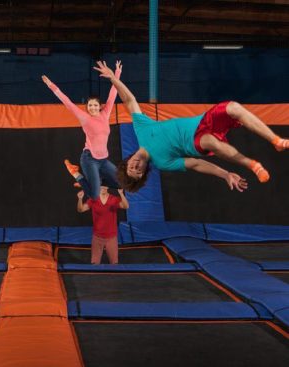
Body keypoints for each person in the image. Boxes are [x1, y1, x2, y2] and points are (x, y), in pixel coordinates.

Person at [93, 60, 289, 193]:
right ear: (144, 171)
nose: (135, 166)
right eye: (137, 171)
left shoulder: (141, 130)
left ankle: (276, 141)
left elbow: (129, 100)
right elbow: (196, 164)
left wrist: (113, 78)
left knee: (234, 107)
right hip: (197, 142)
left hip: (202, 121)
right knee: (210, 141)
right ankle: (253, 165)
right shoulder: (162, 162)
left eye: (131, 167)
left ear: (127, 161)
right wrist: (225, 174)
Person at [42, 61, 122, 199]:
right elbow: (67, 102)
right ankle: (76, 174)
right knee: (94, 195)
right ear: (87, 108)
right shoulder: (85, 118)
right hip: (89, 158)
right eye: (89, 105)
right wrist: (51, 85)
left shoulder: (105, 114)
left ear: (99, 106)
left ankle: (90, 182)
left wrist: (117, 74)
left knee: (122, 183)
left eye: (95, 105)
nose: (92, 108)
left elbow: (113, 94)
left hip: (103, 160)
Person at [77, 186, 129, 265]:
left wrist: (121, 194)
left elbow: (126, 206)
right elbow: (81, 209)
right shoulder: (93, 199)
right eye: (101, 186)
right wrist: (80, 199)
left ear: (108, 187)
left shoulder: (114, 199)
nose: (103, 188)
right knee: (94, 265)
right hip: (97, 237)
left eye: (105, 186)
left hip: (111, 238)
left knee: (114, 264)